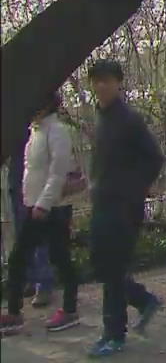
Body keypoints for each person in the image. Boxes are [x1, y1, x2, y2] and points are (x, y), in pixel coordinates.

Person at [84, 59, 165, 358]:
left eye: (107, 80)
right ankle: (143, 301)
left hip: (123, 207)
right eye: (96, 80)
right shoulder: (101, 117)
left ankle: (114, 334)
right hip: (102, 202)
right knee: (101, 265)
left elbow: (154, 159)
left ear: (119, 83)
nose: (101, 86)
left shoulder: (130, 119)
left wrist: (133, 189)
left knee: (113, 269)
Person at [1, 90, 81, 335]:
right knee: (18, 260)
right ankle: (14, 313)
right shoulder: (35, 132)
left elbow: (58, 172)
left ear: (48, 105)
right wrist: (30, 202)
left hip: (52, 209)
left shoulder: (57, 131)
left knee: (60, 258)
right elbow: (31, 171)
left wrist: (43, 203)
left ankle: (69, 309)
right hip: (35, 206)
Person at [4, 123, 56, 312]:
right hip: (16, 162)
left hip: (29, 157)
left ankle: (43, 282)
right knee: (21, 226)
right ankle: (32, 277)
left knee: (33, 224)